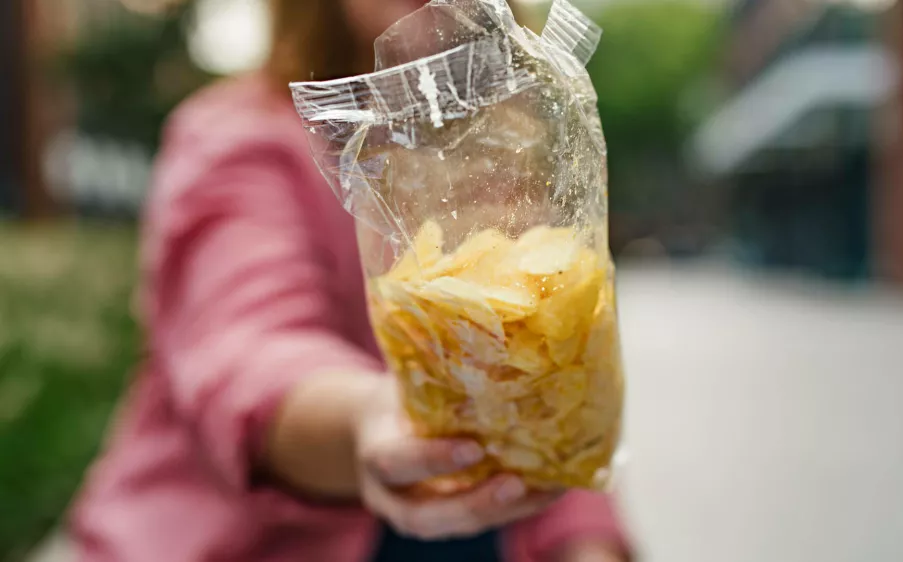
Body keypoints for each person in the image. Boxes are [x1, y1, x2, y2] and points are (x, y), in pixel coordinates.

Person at [70, 0, 632, 560]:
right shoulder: (240, 139)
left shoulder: (515, 133)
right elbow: (249, 349)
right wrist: (371, 418)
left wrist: (587, 544)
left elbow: (549, 388)